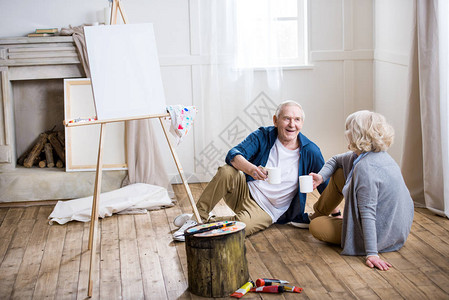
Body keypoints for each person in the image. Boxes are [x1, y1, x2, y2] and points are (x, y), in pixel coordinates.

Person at [172, 100, 329, 241]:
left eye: (297, 120)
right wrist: (252, 170)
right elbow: (233, 154)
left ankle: (197, 221)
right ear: (275, 121)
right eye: (286, 118)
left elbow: (325, 184)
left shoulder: (311, 151)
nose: (291, 124)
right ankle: (198, 217)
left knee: (236, 230)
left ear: (302, 124)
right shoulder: (263, 135)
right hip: (244, 191)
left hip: (267, 209)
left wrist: (335, 214)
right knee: (227, 171)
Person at [308, 110, 414, 271]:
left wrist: (372, 253)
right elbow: (336, 160)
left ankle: (316, 218)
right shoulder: (367, 155)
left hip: (381, 234)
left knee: (316, 226)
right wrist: (321, 177)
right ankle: (318, 213)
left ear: (357, 134)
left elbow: (368, 212)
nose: (346, 133)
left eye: (348, 129)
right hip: (396, 229)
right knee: (338, 172)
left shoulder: (366, 168)